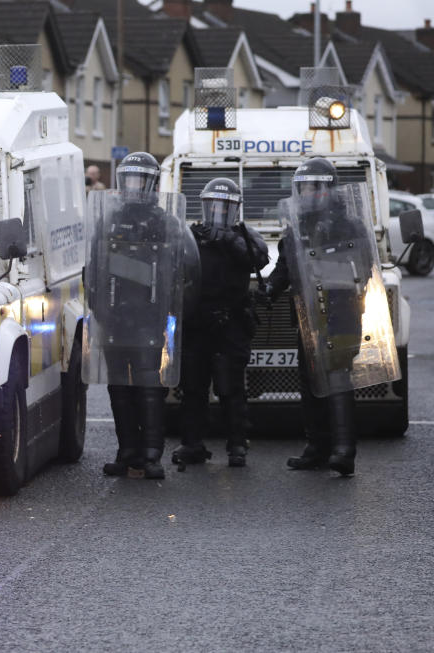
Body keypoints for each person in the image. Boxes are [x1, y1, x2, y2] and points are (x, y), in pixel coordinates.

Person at [266, 158, 374, 476]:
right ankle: (317, 447)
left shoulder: (349, 225)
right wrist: (270, 287)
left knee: (338, 380)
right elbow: (286, 268)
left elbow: (363, 268)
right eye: (302, 188)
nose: (307, 193)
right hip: (308, 316)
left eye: (312, 187)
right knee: (311, 381)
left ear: (328, 189)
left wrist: (325, 262)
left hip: (341, 314)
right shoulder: (296, 226)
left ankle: (343, 451)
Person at [87, 152, 182, 480]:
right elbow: (95, 266)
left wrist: (167, 312)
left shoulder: (164, 221)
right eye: (128, 179)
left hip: (147, 318)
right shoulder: (109, 219)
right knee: (119, 388)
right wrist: (98, 309)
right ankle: (126, 451)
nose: (132, 186)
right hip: (115, 318)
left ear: (152, 183)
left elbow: (176, 271)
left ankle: (152, 453)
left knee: (148, 385)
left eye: (139, 180)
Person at [173, 178, 268, 468]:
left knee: (230, 388)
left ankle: (237, 445)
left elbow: (259, 261)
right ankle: (193, 444)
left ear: (235, 208)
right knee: (193, 388)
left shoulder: (244, 236)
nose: (217, 210)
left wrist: (228, 239)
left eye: (224, 206)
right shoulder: (191, 235)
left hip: (231, 322)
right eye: (213, 204)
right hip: (197, 321)